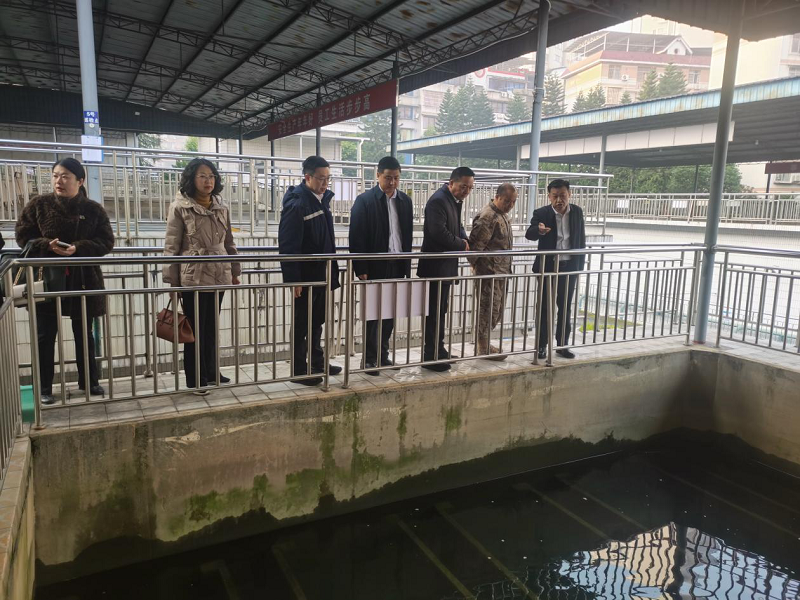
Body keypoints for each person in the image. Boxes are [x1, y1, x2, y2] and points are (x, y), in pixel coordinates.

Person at [15, 158, 114, 405]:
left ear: (80, 181)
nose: (59, 181)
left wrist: (78, 248)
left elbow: (106, 242)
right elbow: (23, 236)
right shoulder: (39, 205)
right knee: (45, 334)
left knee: (84, 332)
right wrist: (45, 245)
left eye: (66, 176)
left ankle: (89, 381)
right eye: (56, 175)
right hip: (47, 277)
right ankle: (44, 387)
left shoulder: (93, 209)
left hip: (83, 277)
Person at [163, 158, 240, 395]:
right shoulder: (180, 207)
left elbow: (228, 242)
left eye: (211, 176)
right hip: (193, 275)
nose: (208, 181)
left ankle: (212, 371)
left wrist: (235, 270)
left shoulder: (221, 206)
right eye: (203, 176)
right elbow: (171, 246)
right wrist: (173, 282)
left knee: (211, 326)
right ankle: (196, 379)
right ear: (192, 179)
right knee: (195, 329)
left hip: (219, 272)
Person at [279, 156, 342, 386]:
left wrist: (331, 273)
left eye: (328, 178)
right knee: (302, 323)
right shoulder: (297, 204)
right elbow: (288, 245)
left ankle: (317, 362)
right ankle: (298, 369)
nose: (325, 183)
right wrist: (294, 279)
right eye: (321, 178)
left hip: (321, 273)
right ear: (307, 177)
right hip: (305, 276)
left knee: (317, 321)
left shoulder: (320, 200)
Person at [349, 156, 414, 375]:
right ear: (378, 175)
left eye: (396, 178)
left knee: (390, 314)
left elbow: (407, 235)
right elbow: (356, 237)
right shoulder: (365, 201)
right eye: (388, 178)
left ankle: (382, 355)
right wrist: (361, 268)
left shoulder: (405, 201)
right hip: (375, 266)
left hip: (397, 264)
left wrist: (406, 266)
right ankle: (369, 359)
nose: (392, 182)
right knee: (373, 314)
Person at [417, 166, 473, 371]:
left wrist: (465, 239)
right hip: (435, 267)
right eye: (463, 186)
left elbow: (457, 226)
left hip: (445, 266)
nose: (466, 191)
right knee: (434, 312)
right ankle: (430, 356)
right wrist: (461, 244)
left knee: (441, 311)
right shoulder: (438, 201)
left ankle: (439, 350)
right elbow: (438, 232)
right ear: (451, 183)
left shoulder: (453, 200)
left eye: (470, 188)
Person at [525, 178, 586, 360]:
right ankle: (541, 346)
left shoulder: (577, 212)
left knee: (565, 307)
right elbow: (530, 234)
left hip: (569, 267)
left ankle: (562, 345)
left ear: (569, 194)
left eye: (563, 195)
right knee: (545, 307)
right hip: (548, 267)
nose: (559, 200)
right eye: (555, 196)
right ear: (549, 196)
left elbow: (581, 239)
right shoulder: (541, 213)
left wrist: (579, 266)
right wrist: (539, 230)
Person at [468, 183, 517, 360]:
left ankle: (485, 343)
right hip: (489, 273)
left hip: (501, 271)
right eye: (507, 201)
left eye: (513, 202)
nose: (510, 205)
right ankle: (483, 347)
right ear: (497, 197)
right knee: (488, 309)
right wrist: (477, 267)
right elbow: (475, 248)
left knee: (497, 309)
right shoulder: (488, 216)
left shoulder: (502, 215)